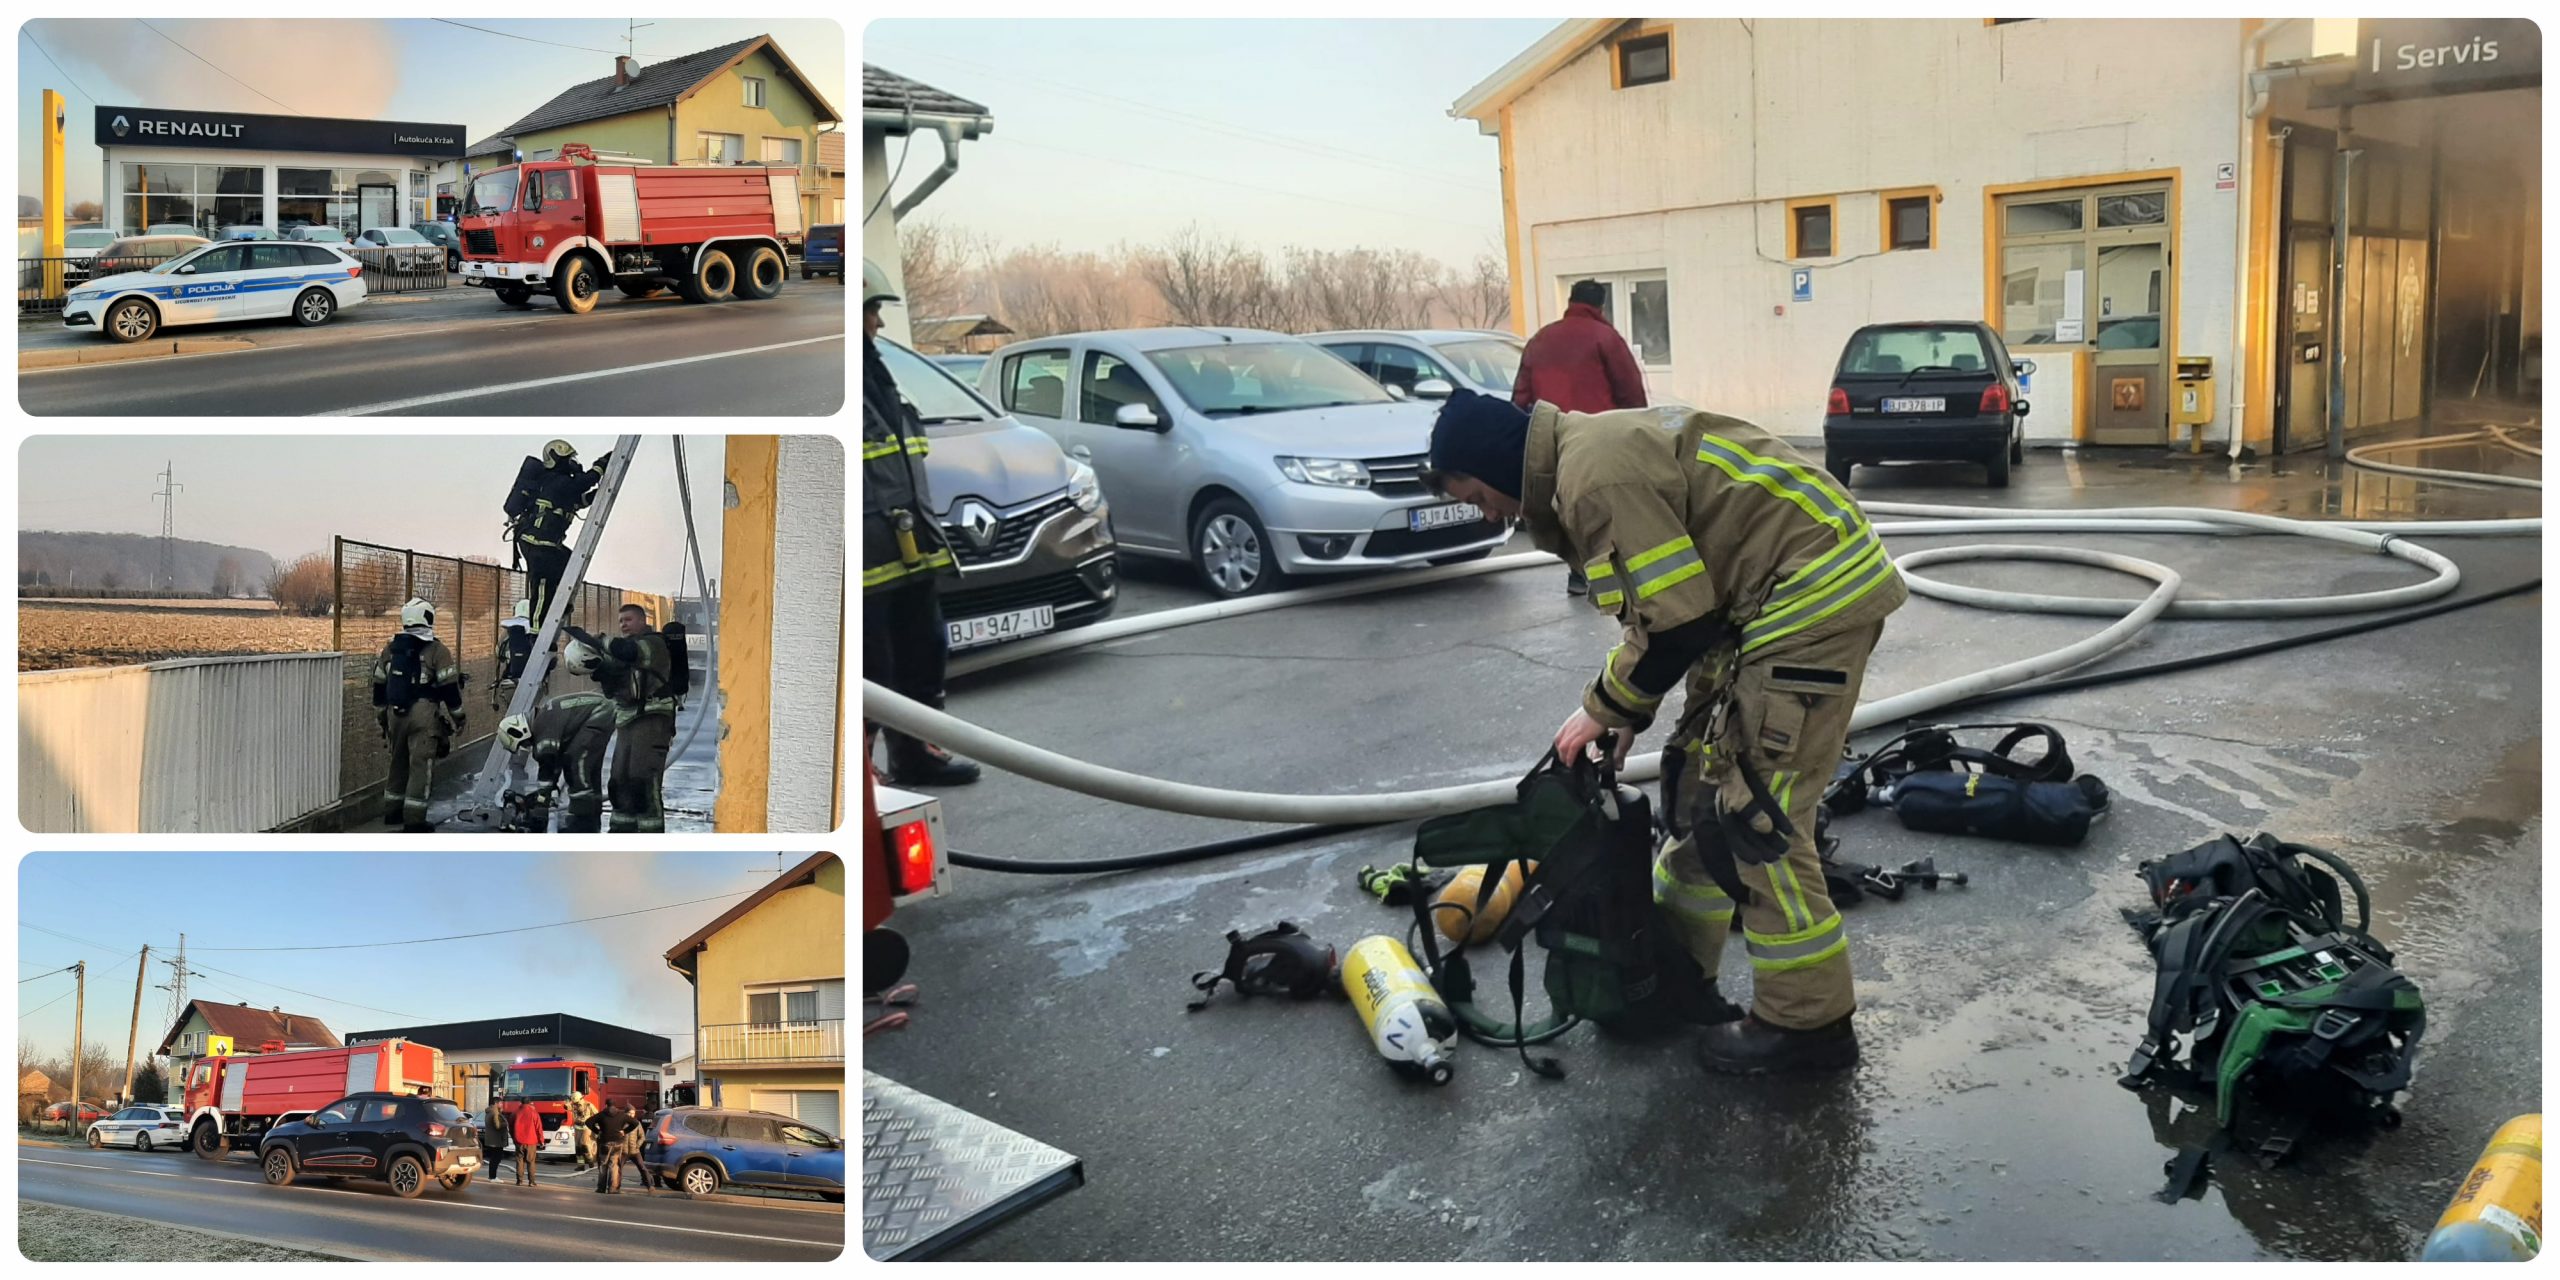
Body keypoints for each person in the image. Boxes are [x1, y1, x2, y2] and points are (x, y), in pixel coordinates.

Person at [1422, 388, 1905, 1075]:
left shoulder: (1594, 476)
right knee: (1698, 798)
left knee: (1755, 825)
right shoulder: (1583, 456)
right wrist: (1624, 713)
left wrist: (1606, 708)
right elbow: (1667, 615)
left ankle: (1810, 1027)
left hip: (1805, 606)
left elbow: (1679, 625)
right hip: (1761, 606)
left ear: (1494, 463)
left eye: (1474, 494)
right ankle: (1673, 980)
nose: (1485, 512)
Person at [863, 259, 981, 787]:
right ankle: (863, 774)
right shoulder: (847, 380)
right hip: (867, 559)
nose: (879, 324)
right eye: (871, 311)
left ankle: (916, 754)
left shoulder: (878, 376)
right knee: (873, 669)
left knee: (923, 651)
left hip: (907, 550)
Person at [1512, 279, 1652, 596]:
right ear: (1601, 306)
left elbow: (1520, 397)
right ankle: (1604, 574)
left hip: (1551, 439)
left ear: (1571, 301)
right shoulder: (1606, 338)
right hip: (1598, 438)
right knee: (1600, 508)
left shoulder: (1541, 339)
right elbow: (1630, 391)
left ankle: (1578, 572)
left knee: (1566, 506)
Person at [564, 604, 677, 833]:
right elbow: (614, 680)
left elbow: (628, 653)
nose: (624, 625)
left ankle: (650, 835)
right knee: (619, 781)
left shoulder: (653, 644)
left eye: (628, 620)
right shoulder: (624, 648)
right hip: (627, 720)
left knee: (642, 780)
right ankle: (620, 832)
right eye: (621, 621)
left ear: (642, 621)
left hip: (652, 718)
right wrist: (598, 667)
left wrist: (599, 640)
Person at [369, 597, 463, 832]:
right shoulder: (437, 650)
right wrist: (458, 716)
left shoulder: (391, 649)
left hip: (394, 714)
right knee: (420, 766)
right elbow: (449, 688)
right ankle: (415, 821)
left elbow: (379, 684)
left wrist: (382, 716)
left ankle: (391, 813)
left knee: (397, 762)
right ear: (428, 618)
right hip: (423, 714)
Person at [504, 440, 607, 627]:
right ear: (557, 459)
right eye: (569, 459)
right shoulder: (555, 480)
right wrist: (601, 464)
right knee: (543, 584)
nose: (573, 463)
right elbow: (583, 483)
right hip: (537, 542)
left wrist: (600, 494)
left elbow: (579, 500)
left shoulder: (561, 486)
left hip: (548, 544)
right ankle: (537, 632)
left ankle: (561, 605)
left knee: (569, 562)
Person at [496, 690, 616, 832]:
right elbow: (556, 761)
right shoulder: (544, 718)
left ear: (519, 731)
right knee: (589, 769)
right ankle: (591, 818)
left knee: (576, 762)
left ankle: (582, 822)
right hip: (601, 711)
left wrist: (542, 799)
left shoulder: (542, 725)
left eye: (523, 743)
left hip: (599, 712)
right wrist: (546, 792)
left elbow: (547, 763)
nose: (527, 746)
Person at [592, 1100, 634, 1193]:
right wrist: (625, 1131)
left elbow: (588, 1122)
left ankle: (601, 1188)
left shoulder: (602, 1114)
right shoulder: (622, 1115)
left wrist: (597, 1131)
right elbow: (635, 1123)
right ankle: (613, 1188)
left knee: (603, 1165)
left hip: (604, 1143)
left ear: (606, 1105)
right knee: (614, 1166)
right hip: (617, 1143)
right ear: (615, 1106)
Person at [509, 1095, 544, 1186]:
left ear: (521, 1102)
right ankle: (531, 1182)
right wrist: (541, 1141)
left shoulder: (515, 1112)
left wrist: (514, 1138)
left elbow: (511, 1127)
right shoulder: (534, 1113)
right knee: (531, 1161)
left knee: (519, 1161)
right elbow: (538, 1128)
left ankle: (519, 1181)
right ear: (530, 1102)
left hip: (519, 1141)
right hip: (531, 1141)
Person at [567, 1089, 598, 1172]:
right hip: (577, 1128)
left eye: (577, 1102)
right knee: (578, 1147)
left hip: (586, 1127)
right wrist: (570, 1102)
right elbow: (566, 1107)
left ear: (580, 1099)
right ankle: (580, 1165)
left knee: (584, 1144)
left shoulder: (589, 1105)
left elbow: (597, 1115)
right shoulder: (573, 1105)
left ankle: (590, 1160)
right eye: (574, 1102)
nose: (576, 1104)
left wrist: (596, 1126)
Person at [479, 1094, 507, 1181]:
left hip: (492, 1139)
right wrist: (505, 1123)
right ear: (496, 1103)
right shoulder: (495, 1112)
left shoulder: (489, 1111)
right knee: (496, 1159)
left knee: (494, 1159)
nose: (502, 1105)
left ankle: (492, 1176)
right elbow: (497, 1126)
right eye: (500, 1103)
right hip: (496, 1140)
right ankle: (493, 1177)